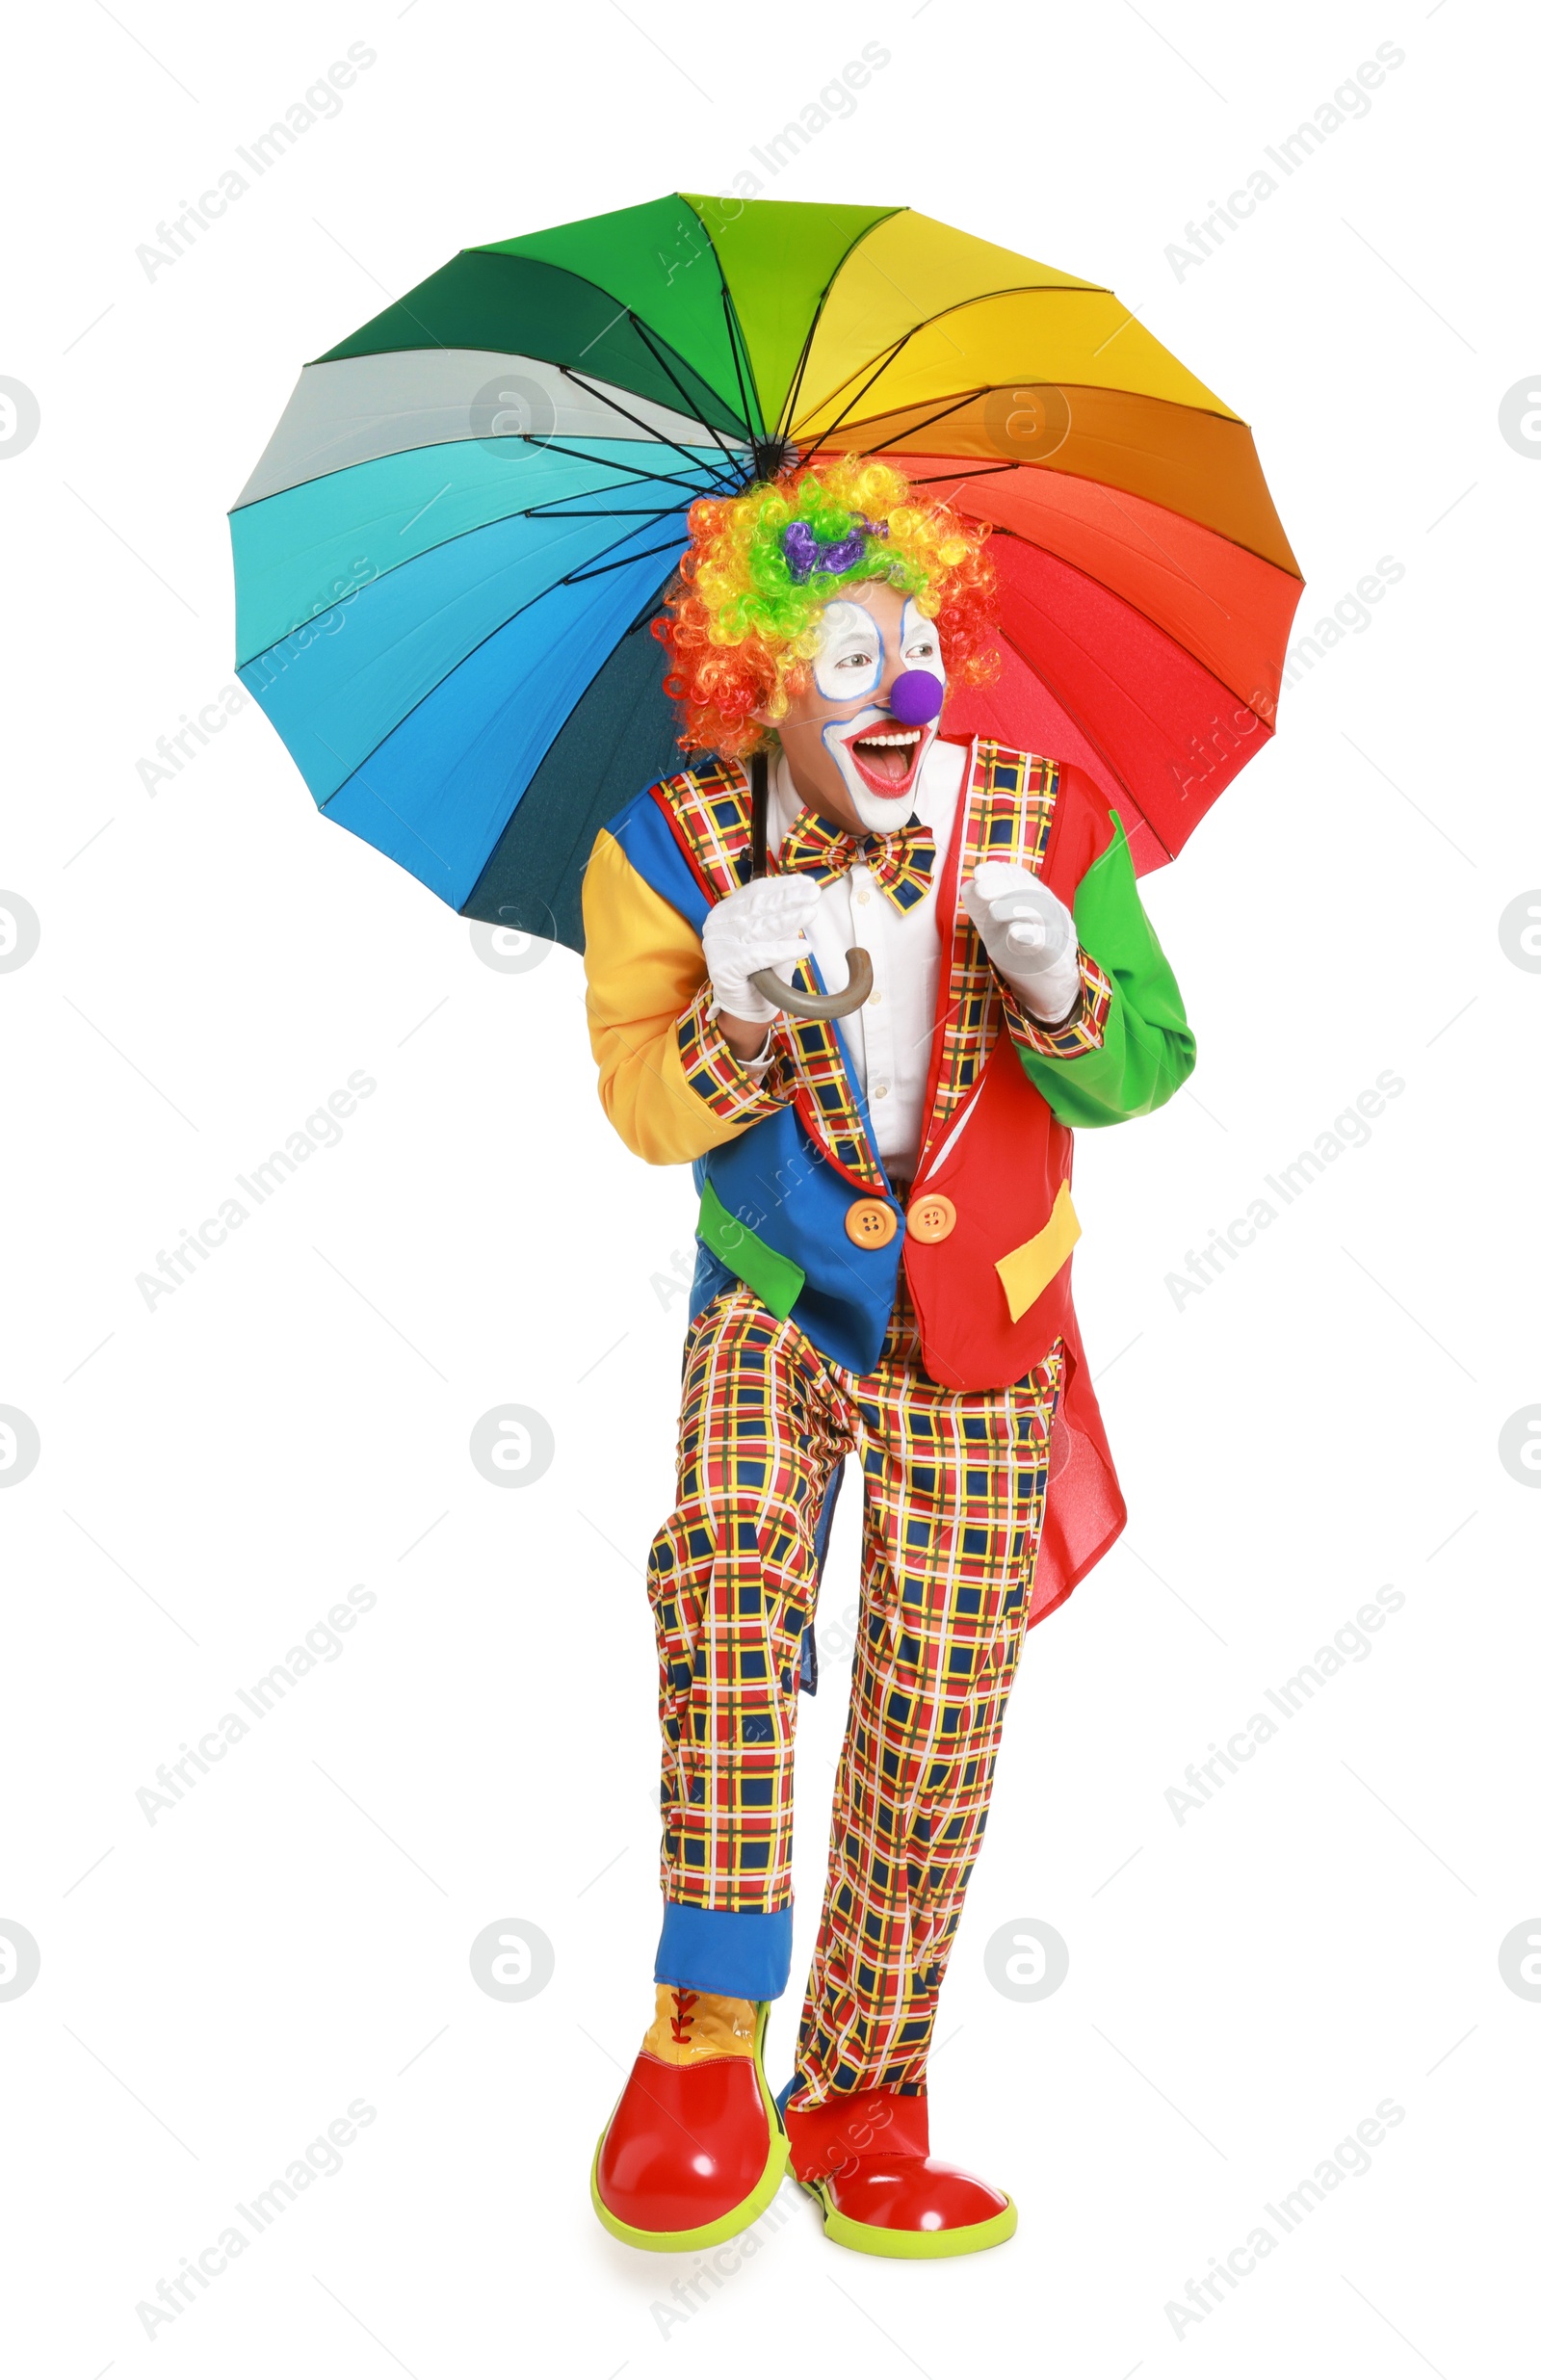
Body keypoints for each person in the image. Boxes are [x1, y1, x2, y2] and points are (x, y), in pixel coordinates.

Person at [581, 458, 1194, 2258]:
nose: (904, 688)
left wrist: (1063, 979)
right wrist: (734, 1019)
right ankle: (703, 2029)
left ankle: (861, 2093)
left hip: (990, 1329)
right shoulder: (668, 848)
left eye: (921, 643)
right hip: (775, 1293)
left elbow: (1149, 1065)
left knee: (936, 1716)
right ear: (758, 672)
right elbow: (637, 1105)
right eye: (851, 653)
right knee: (724, 1570)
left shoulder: (1043, 819)